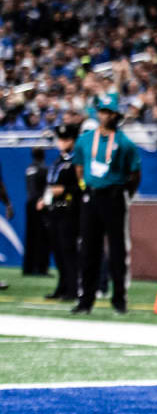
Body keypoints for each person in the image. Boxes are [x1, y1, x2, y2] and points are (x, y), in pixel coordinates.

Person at [71, 95, 140, 314]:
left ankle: (119, 299)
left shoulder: (124, 143)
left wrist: (124, 192)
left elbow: (135, 173)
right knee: (88, 250)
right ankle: (85, 300)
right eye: (102, 111)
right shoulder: (85, 140)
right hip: (91, 196)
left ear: (116, 116)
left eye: (109, 112)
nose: (105, 116)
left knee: (118, 250)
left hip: (114, 196)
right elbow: (79, 166)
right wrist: (85, 186)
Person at [40, 124, 81, 301]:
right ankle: (62, 286)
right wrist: (45, 198)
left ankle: (73, 289)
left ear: (72, 141)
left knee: (68, 250)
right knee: (57, 250)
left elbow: (82, 186)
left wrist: (64, 189)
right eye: (60, 139)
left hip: (69, 209)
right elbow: (51, 185)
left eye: (66, 139)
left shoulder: (76, 162)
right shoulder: (58, 161)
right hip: (54, 209)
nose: (62, 142)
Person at [23, 147, 50, 275]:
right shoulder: (44, 169)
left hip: (29, 204)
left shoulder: (29, 169)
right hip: (40, 204)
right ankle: (41, 268)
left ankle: (28, 268)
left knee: (30, 236)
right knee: (43, 237)